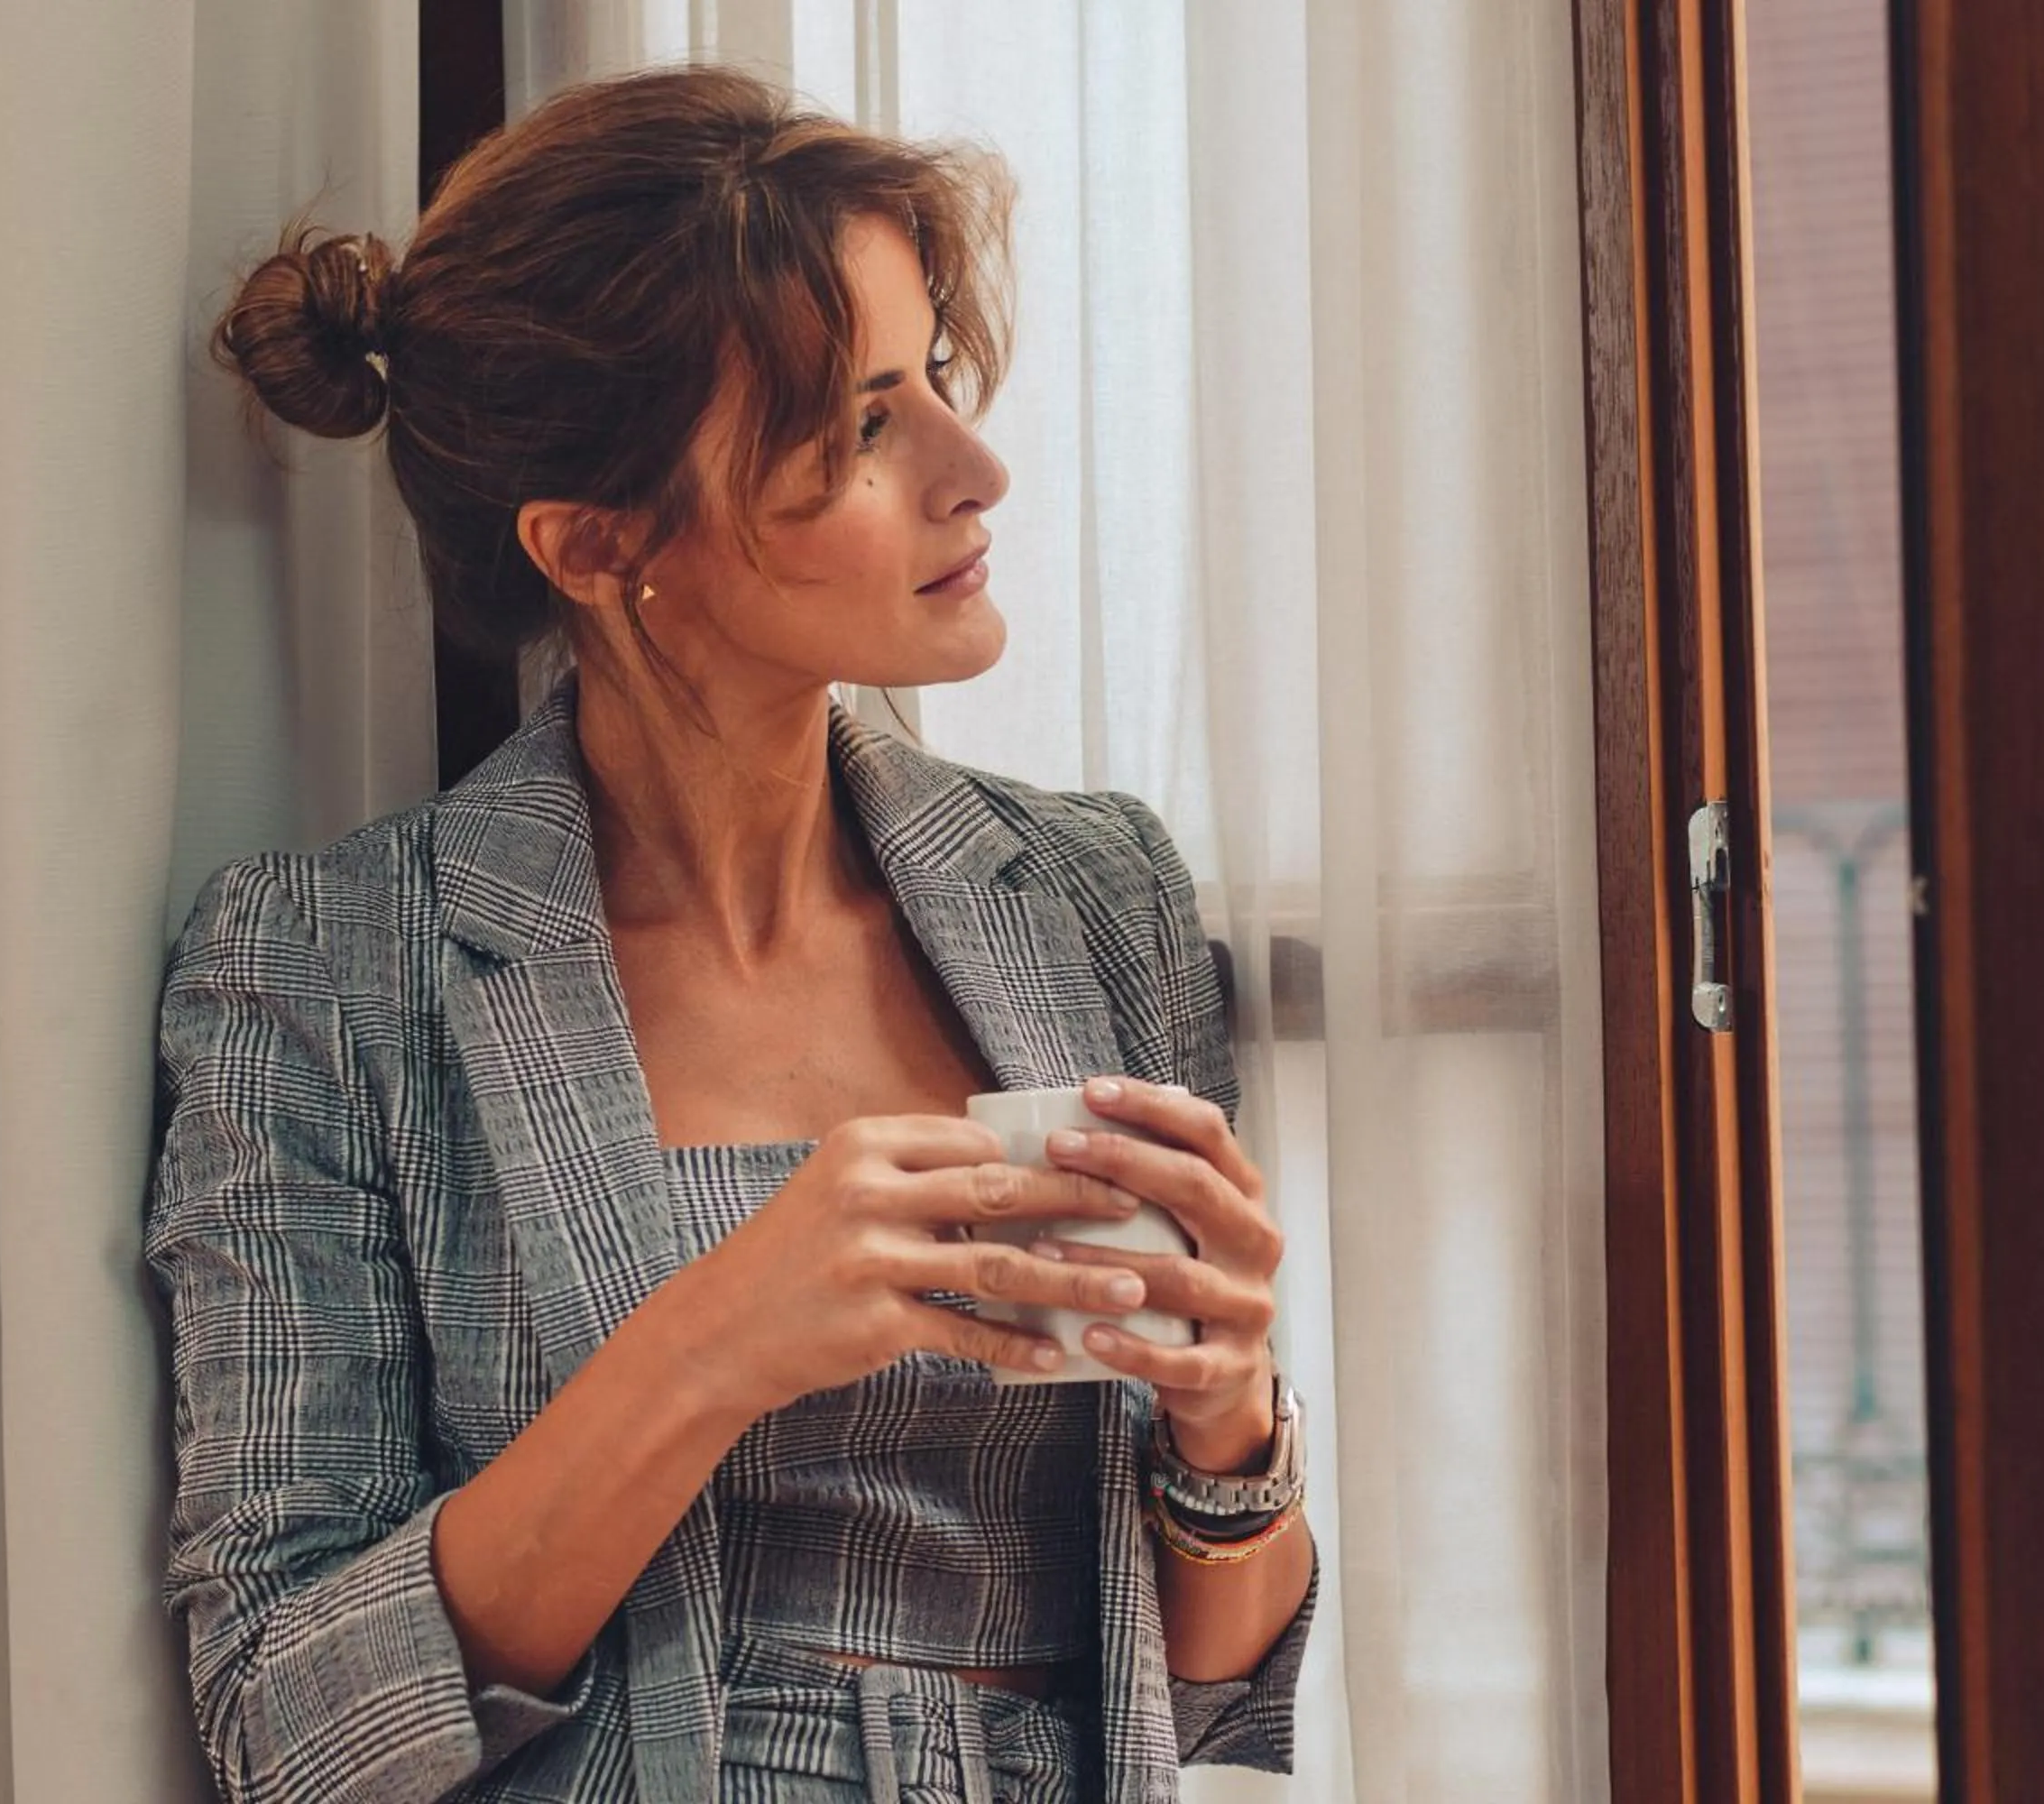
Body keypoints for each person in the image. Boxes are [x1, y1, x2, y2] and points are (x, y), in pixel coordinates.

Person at [147, 63, 1317, 1804]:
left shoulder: (1092, 896)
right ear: (598, 541)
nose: (975, 468)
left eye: (934, 381)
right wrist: (718, 1339)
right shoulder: (324, 968)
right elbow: (287, 1726)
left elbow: (1214, 1698)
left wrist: (1230, 1425)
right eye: (860, 429)